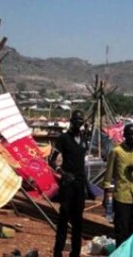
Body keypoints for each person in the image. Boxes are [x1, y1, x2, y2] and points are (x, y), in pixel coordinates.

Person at [48, 110, 88, 257]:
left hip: (79, 185)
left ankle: (75, 253)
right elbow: (51, 160)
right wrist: (63, 173)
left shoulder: (84, 140)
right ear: (71, 122)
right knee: (63, 220)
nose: (78, 124)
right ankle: (58, 253)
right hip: (67, 185)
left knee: (78, 222)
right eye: (76, 122)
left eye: (80, 122)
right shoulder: (64, 138)